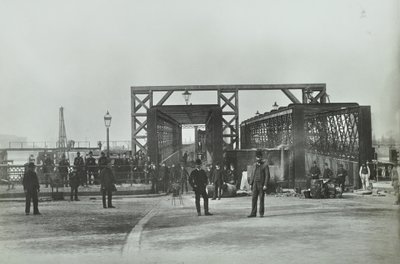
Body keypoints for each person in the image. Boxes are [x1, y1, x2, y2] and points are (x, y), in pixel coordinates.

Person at [247, 150, 270, 218]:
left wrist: (265, 185)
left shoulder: (265, 165)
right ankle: (253, 213)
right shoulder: (254, 165)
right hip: (254, 184)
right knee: (254, 198)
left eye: (259, 157)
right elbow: (252, 174)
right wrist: (251, 183)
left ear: (261, 157)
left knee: (261, 199)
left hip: (261, 184)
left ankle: (261, 213)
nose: (258, 158)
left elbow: (267, 176)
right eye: (257, 157)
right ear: (256, 157)